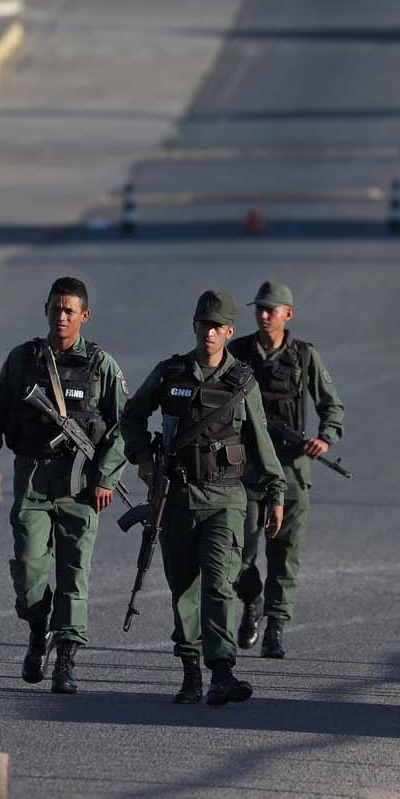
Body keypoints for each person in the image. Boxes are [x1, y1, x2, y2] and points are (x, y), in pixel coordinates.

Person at [120, 291, 287, 707]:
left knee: (217, 582)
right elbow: (132, 414)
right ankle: (191, 670)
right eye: (203, 324)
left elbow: (260, 441)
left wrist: (275, 492)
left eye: (217, 326)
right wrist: (142, 457)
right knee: (184, 589)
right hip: (176, 499)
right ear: (194, 326)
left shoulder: (242, 382)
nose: (209, 332)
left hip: (226, 500)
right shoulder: (171, 373)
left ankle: (222, 670)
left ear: (230, 331)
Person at [0, 277, 127, 695]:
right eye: (55, 308)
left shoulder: (100, 365)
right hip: (33, 478)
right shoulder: (22, 360)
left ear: (84, 316)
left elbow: (123, 427)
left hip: (80, 485)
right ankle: (38, 629)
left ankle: (66, 660)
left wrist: (106, 477)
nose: (61, 316)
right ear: (46, 309)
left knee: (75, 573)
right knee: (29, 572)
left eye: (69, 310)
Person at [228, 281, 344, 660]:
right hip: (245, 470)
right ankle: (251, 600)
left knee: (285, 555)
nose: (263, 315)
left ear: (287, 314)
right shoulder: (239, 353)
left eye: (271, 309)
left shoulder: (304, 356)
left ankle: (275, 626)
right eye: (259, 309)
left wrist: (324, 439)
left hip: (291, 470)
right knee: (237, 552)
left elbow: (332, 406)